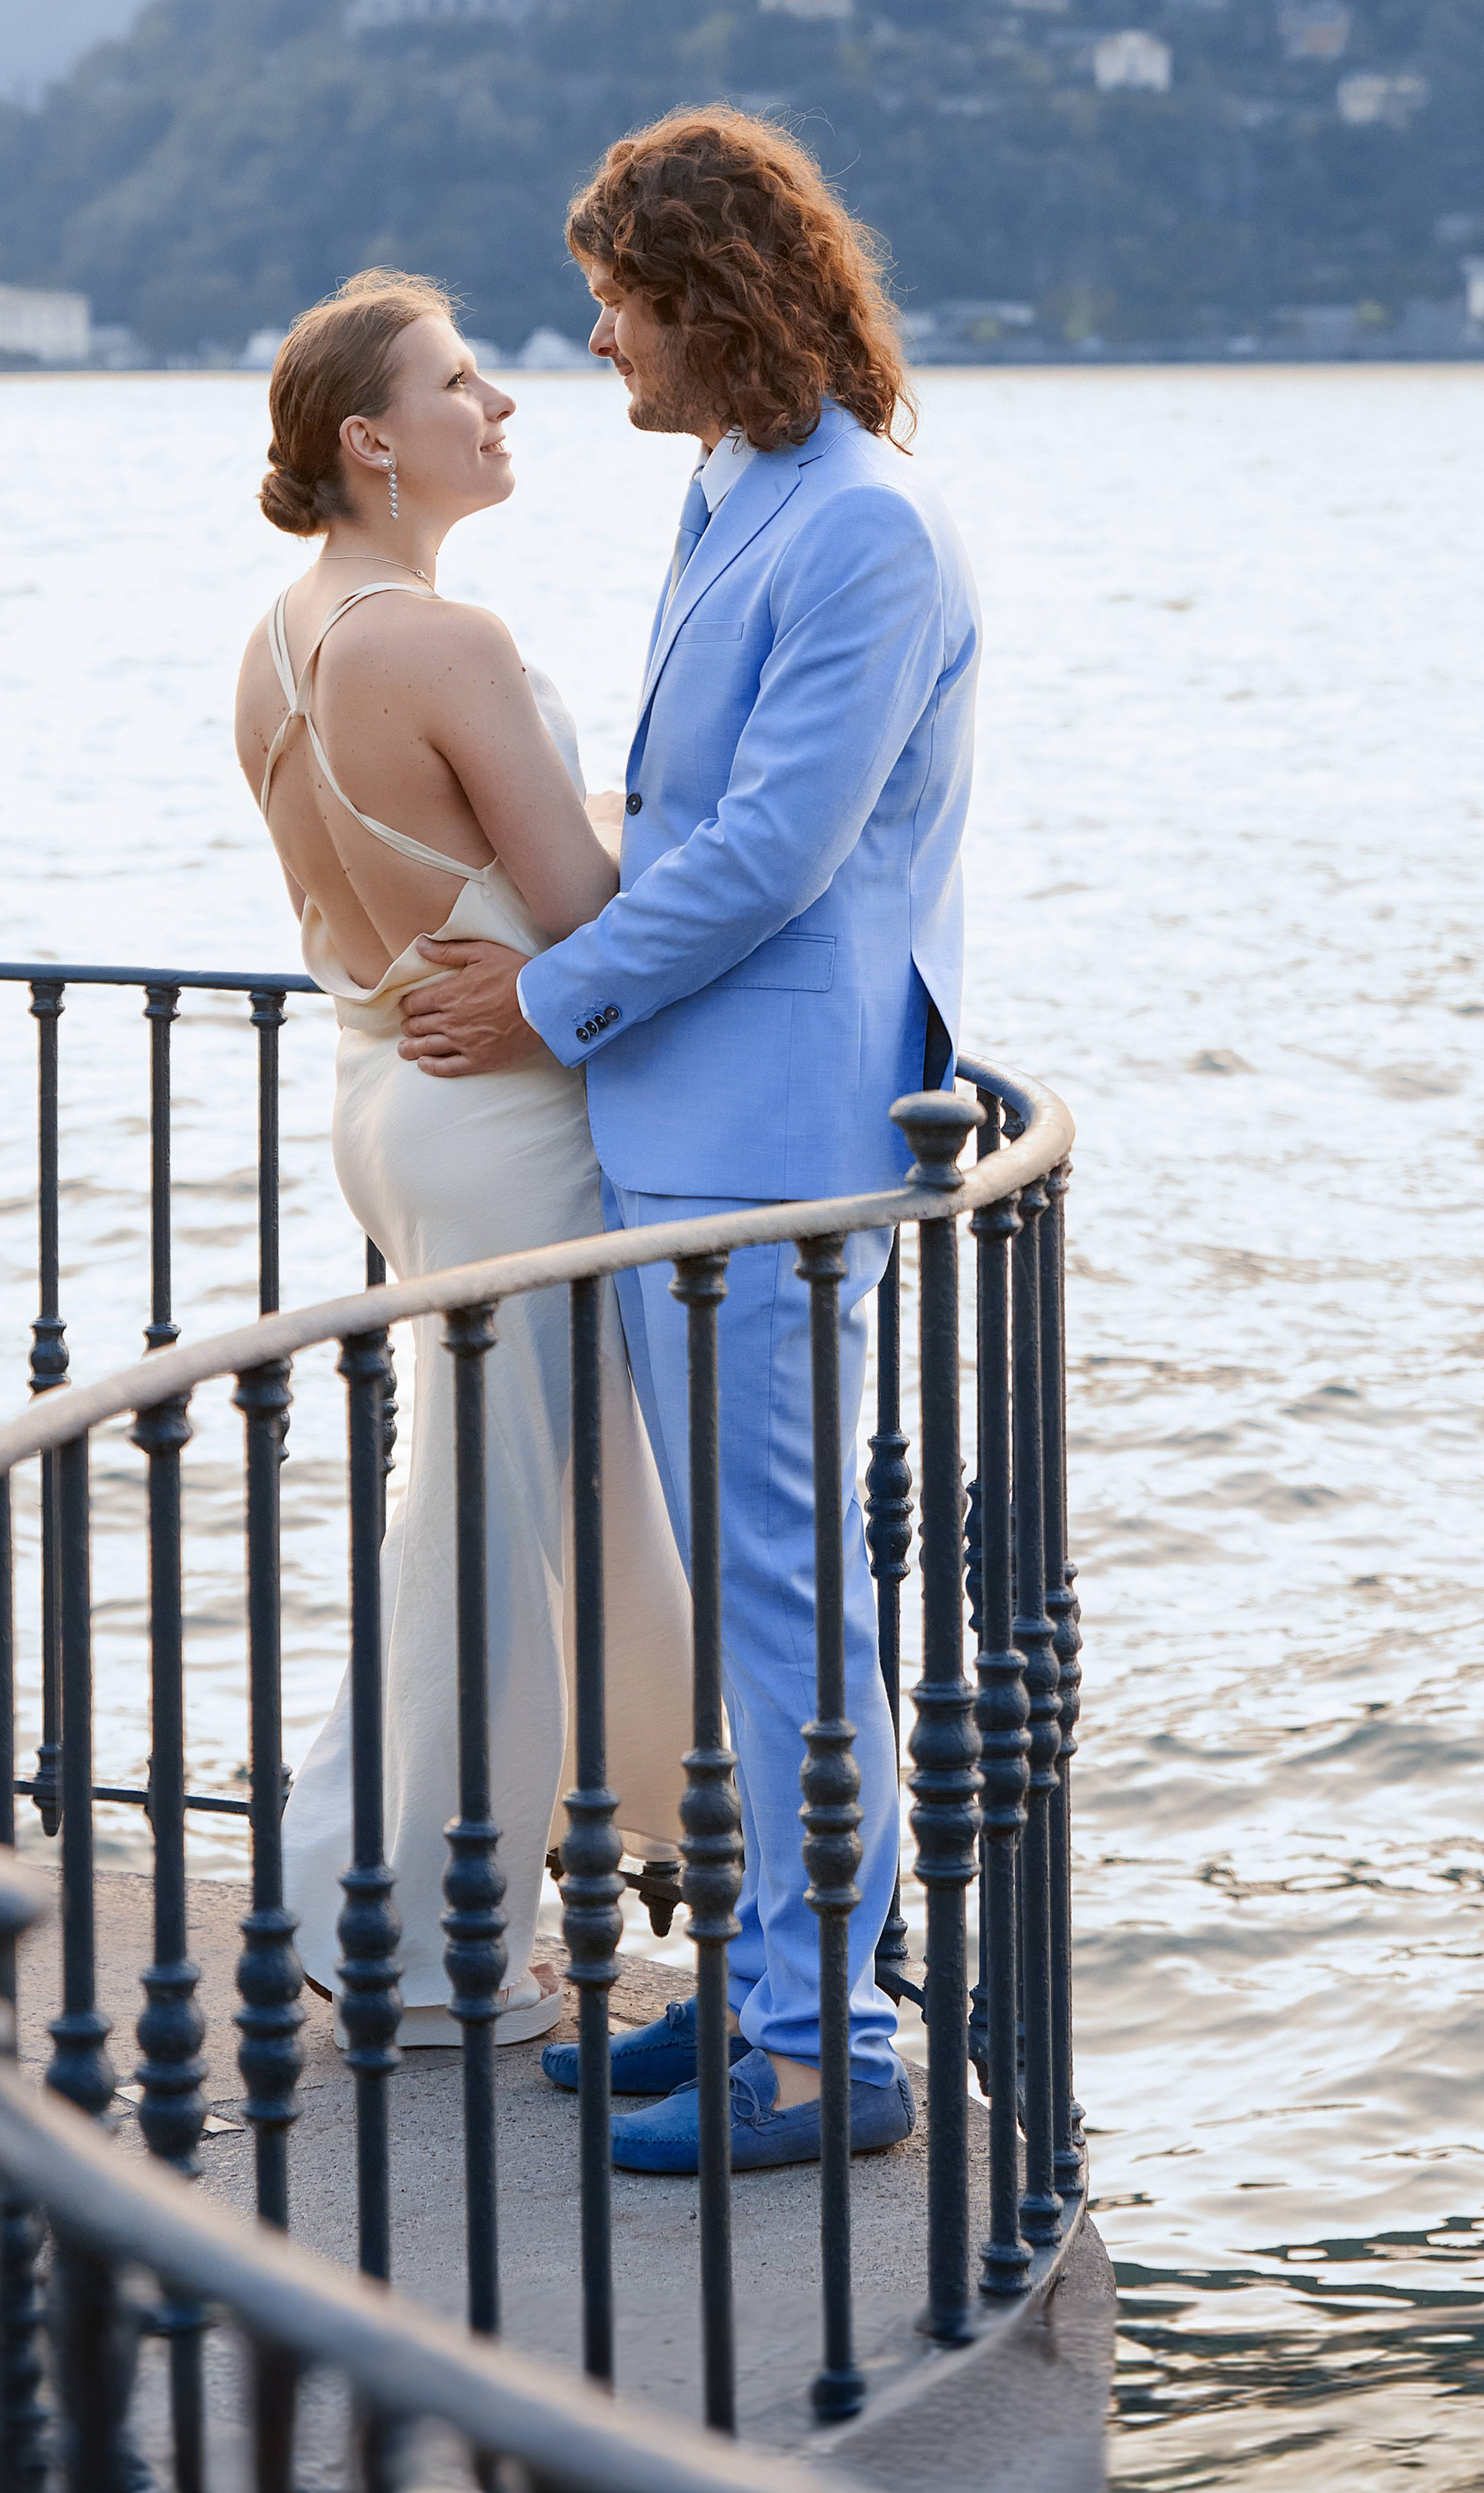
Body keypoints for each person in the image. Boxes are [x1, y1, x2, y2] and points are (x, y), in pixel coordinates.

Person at [398, 110, 980, 2171]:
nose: (593, 342)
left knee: (782, 1581)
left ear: (706, 297)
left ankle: (830, 2051)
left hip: (774, 1131)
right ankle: (759, 1994)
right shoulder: (737, 484)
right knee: (747, 1585)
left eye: (615, 302)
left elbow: (769, 851)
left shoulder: (865, 532)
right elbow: (680, 802)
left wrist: (546, 996)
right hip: (682, 1120)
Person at [234, 268, 691, 2049]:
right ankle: (411, 1950)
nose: (498, 405)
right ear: (371, 438)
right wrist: (705, 827)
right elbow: (579, 915)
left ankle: (389, 1908)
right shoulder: (448, 641)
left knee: (471, 1514)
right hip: (498, 1114)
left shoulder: (287, 634)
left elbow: (381, 891)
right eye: (456, 382)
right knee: (496, 1536)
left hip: (389, 1093)